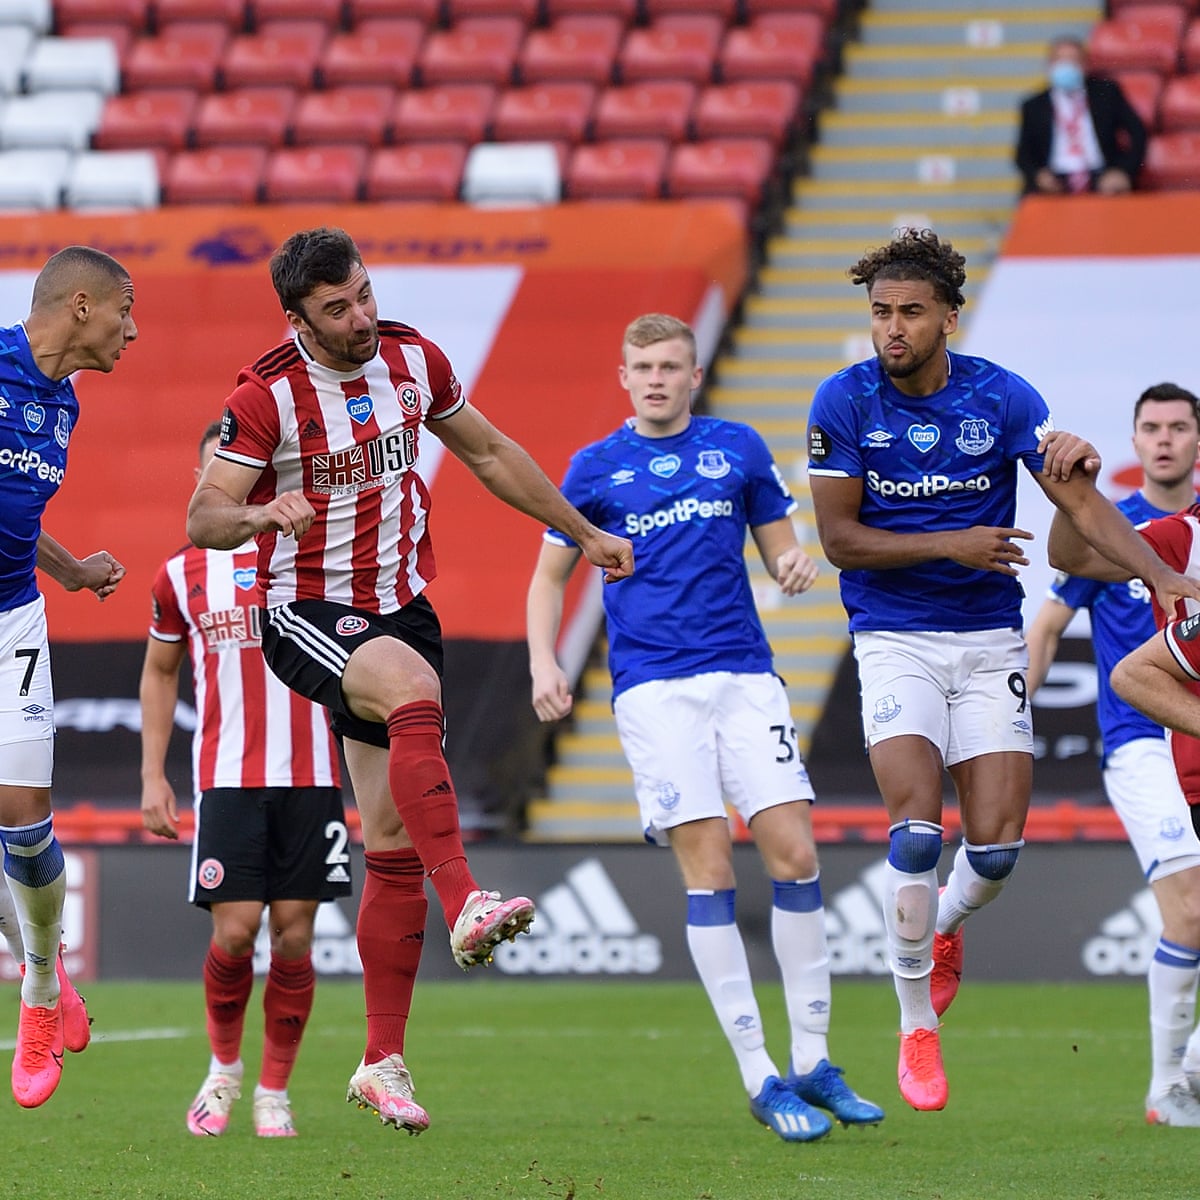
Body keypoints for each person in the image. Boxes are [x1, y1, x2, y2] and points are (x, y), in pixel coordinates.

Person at [185, 227, 634, 1134]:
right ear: (297, 317)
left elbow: (492, 454)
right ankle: (467, 897)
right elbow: (202, 515)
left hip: (401, 604)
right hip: (304, 611)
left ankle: (381, 1062)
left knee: (387, 838)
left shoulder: (413, 358)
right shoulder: (265, 393)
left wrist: (582, 533)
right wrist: (262, 509)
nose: (359, 317)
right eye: (336, 309)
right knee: (412, 693)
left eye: (362, 294)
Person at [804, 227, 1200, 1114]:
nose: (891, 329)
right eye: (880, 313)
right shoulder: (842, 400)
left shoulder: (1004, 397)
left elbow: (1079, 505)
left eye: (909, 313)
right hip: (893, 637)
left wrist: (1161, 575)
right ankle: (915, 1027)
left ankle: (943, 927)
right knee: (915, 832)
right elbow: (838, 542)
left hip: (988, 640)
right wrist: (954, 541)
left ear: (949, 316)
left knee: (995, 853)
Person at [526, 312, 883, 1143]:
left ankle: (814, 1060)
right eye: (642, 366)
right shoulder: (593, 470)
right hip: (655, 692)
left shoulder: (740, 449)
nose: (656, 378)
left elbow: (784, 551)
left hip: (746, 677)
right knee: (711, 870)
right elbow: (548, 580)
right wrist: (544, 662)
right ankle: (760, 1075)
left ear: (694, 374)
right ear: (624, 377)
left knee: (796, 852)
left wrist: (794, 564)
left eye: (670, 366)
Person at [140, 420, 352, 1139]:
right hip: (226, 778)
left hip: (314, 773)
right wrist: (152, 776)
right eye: (217, 477)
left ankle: (274, 1090)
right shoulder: (180, 572)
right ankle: (223, 1068)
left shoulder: (315, 560)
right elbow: (161, 671)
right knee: (235, 934)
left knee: (294, 937)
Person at [1026, 384, 1200, 1127]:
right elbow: (1054, 601)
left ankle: (1186, 1076)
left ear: (1197, 440)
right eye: (1150, 427)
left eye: (1178, 427)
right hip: (1141, 743)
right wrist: (1076, 496)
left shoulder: (1192, 530)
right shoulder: (1127, 526)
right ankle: (1168, 1087)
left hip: (1189, 738)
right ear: (1136, 438)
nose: (1163, 439)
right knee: (1190, 913)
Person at [0, 246, 135, 1107]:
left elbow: (16, 513)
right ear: (81, 305)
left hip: (12, 617)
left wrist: (71, 569)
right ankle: (44, 980)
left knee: (22, 817)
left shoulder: (64, 404)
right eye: (126, 310)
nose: (134, 331)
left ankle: (42, 992)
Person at [1015, 34, 1146, 196]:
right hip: (1056, 178)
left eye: (1073, 60)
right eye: (1060, 61)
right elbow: (1023, 155)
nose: (1066, 66)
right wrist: (1039, 176)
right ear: (1049, 65)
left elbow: (1138, 133)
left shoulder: (1106, 93)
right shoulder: (1034, 106)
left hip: (1100, 175)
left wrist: (1123, 171)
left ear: (1085, 65)